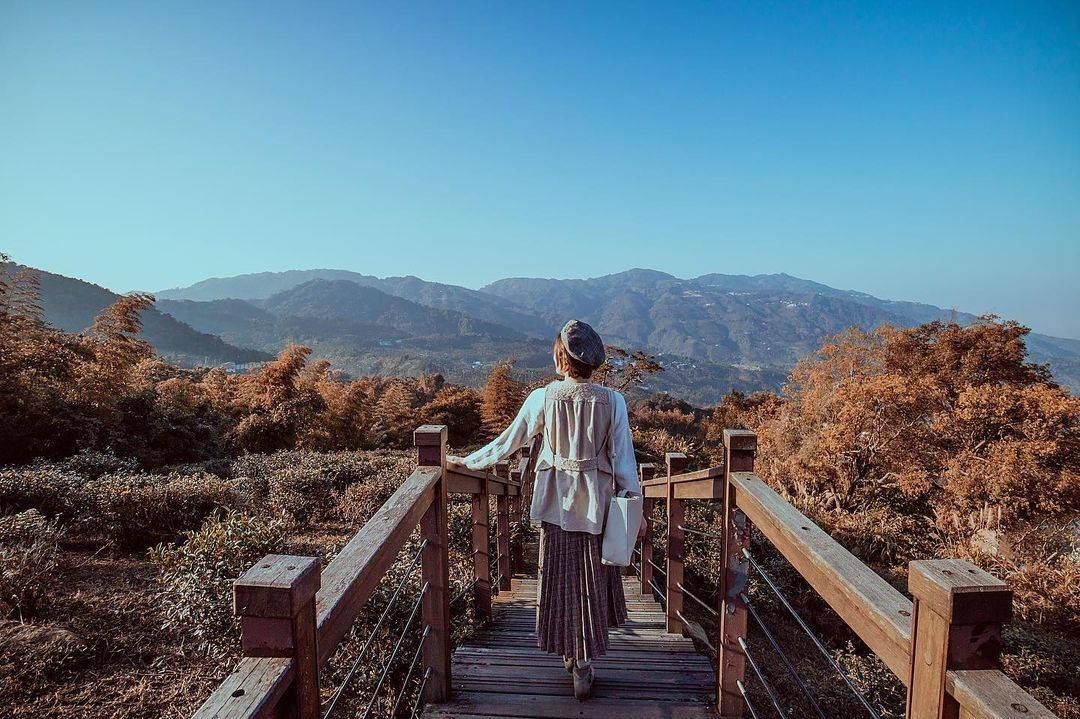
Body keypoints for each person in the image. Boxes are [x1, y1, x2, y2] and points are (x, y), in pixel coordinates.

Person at [454, 319, 639, 700]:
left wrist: (468, 464)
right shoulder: (613, 401)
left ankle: (571, 657)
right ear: (595, 362)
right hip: (598, 506)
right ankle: (584, 661)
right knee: (590, 579)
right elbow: (624, 462)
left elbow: (509, 442)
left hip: (556, 503)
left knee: (559, 578)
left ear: (560, 358)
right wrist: (632, 503)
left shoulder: (543, 398)